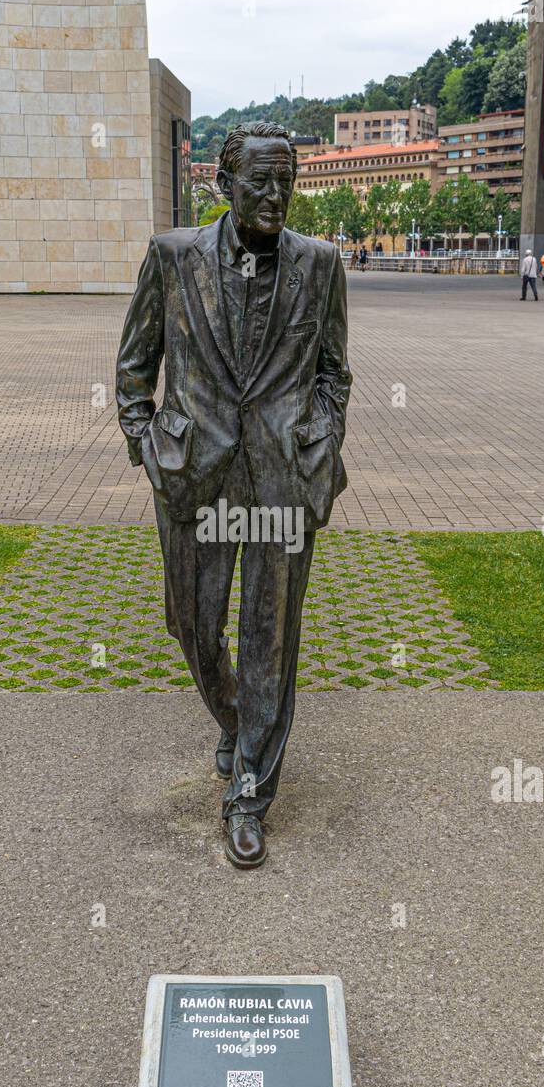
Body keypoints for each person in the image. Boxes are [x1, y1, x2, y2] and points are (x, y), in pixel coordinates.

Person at [116, 122, 352, 870]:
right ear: (225, 185)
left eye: (287, 182)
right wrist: (147, 445)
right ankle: (235, 718)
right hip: (195, 475)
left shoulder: (321, 266)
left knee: (270, 643)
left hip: (283, 477)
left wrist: (319, 438)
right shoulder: (172, 257)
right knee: (190, 624)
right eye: (261, 183)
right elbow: (133, 368)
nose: (277, 196)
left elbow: (333, 373)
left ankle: (249, 791)